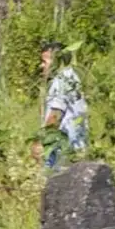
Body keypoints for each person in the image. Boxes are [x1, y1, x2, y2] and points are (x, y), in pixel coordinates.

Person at [36, 40, 88, 169]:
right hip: (74, 149)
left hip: (63, 153)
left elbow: (55, 116)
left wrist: (41, 143)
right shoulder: (70, 77)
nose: (41, 66)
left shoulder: (62, 80)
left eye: (45, 61)